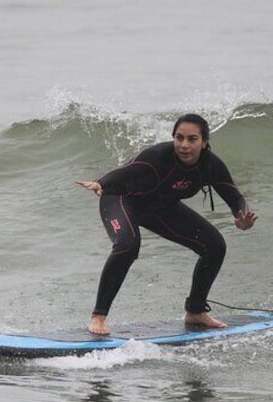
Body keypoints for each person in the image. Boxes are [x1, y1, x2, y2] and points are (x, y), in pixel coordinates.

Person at [76, 113, 258, 335]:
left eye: (192, 139)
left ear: (204, 143)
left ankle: (196, 311)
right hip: (121, 199)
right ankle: (99, 316)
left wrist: (242, 215)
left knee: (215, 246)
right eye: (179, 137)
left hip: (159, 207)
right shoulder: (159, 156)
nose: (183, 145)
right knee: (127, 245)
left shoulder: (211, 165)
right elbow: (125, 173)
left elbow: (234, 198)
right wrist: (100, 183)